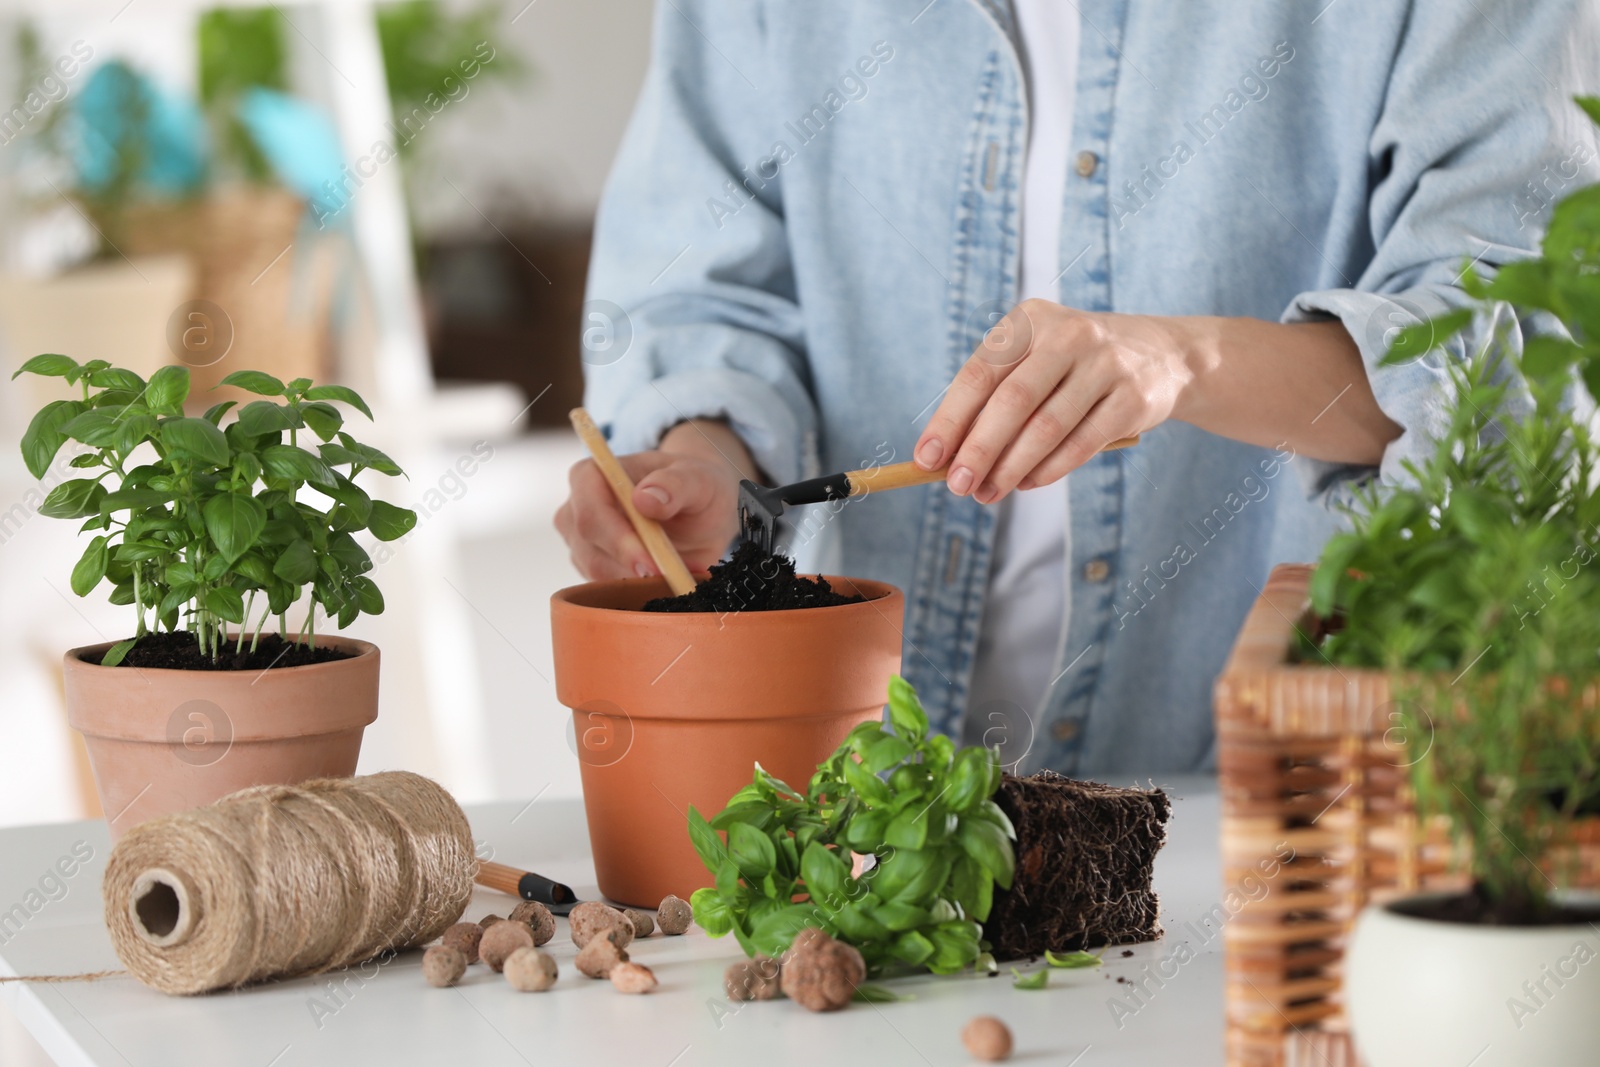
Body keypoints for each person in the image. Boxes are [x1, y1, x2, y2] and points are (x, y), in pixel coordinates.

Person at [555, 0, 1599, 776]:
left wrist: (1185, 361)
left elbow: (1517, 354)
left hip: (1261, 815)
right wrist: (706, 469)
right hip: (865, 813)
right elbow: (702, 296)